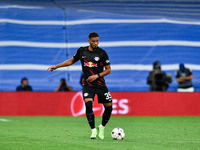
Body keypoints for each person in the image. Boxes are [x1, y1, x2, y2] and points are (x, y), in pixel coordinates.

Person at [47, 32, 112, 140]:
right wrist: (57, 66)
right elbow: (71, 61)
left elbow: (108, 69)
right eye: (93, 41)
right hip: (87, 84)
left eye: (97, 41)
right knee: (88, 105)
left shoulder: (102, 53)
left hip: (100, 84)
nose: (96, 43)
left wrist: (97, 76)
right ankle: (93, 130)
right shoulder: (82, 51)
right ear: (89, 41)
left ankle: (102, 127)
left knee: (109, 108)